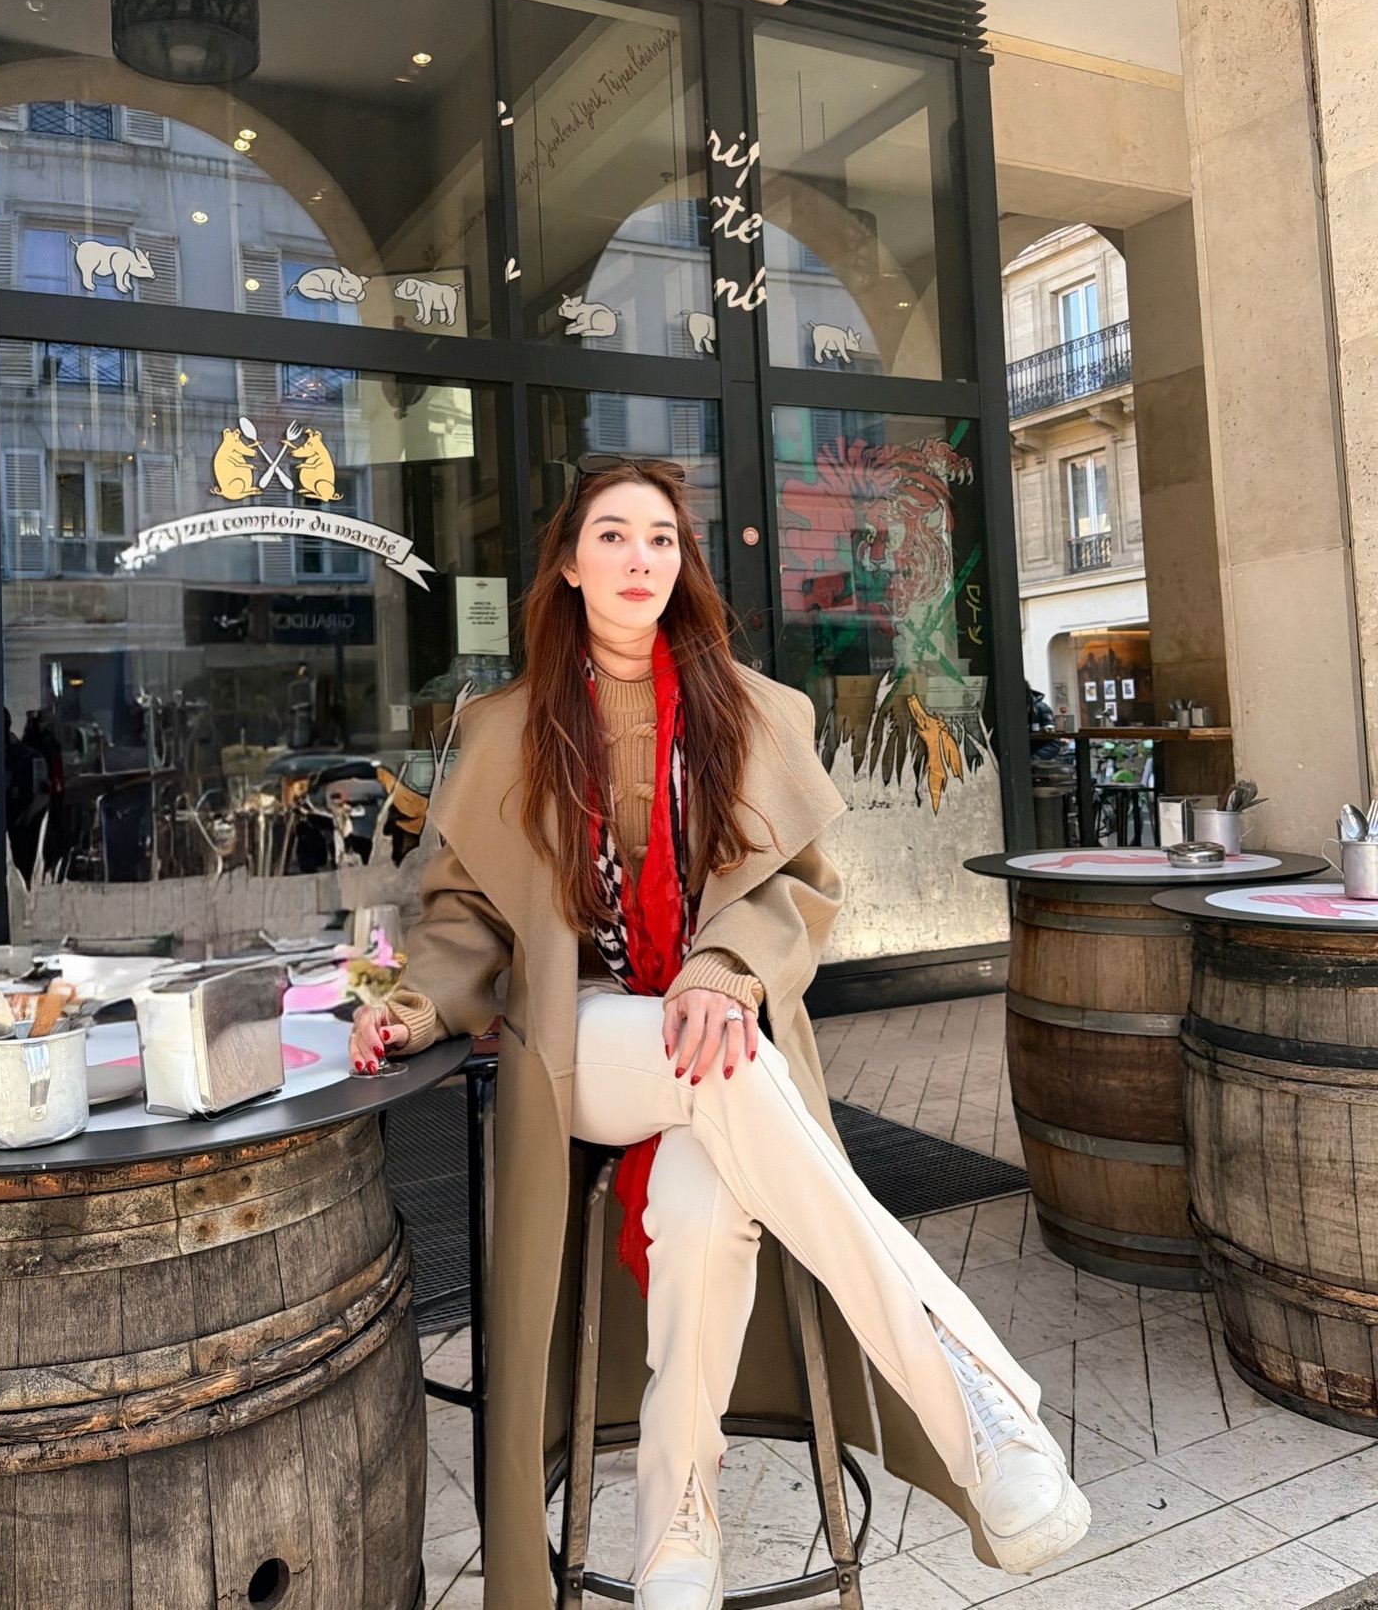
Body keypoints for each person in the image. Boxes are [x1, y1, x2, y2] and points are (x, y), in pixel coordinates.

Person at [350, 456, 1090, 1610]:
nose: (638, 557)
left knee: (703, 1210)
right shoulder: (503, 729)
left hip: (717, 1039)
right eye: (611, 534)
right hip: (581, 1041)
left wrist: (721, 968)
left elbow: (792, 888)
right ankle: (976, 1401)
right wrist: (408, 1007)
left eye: (660, 537)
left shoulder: (752, 710)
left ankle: (676, 1532)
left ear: (682, 562)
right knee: (722, 1066)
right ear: (567, 563)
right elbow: (466, 917)